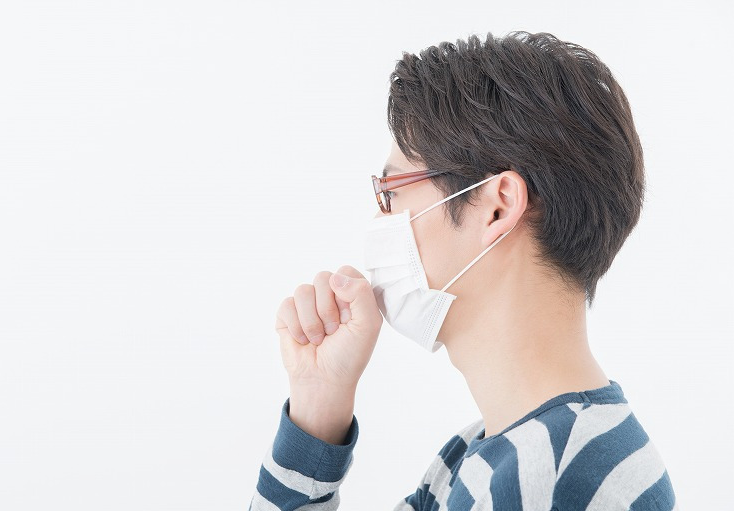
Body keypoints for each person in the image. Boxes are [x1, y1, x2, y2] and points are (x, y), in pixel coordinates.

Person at [248, 30, 678, 510]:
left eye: (391, 192)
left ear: (497, 207)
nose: (379, 218)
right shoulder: (480, 455)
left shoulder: (556, 479)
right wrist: (317, 405)